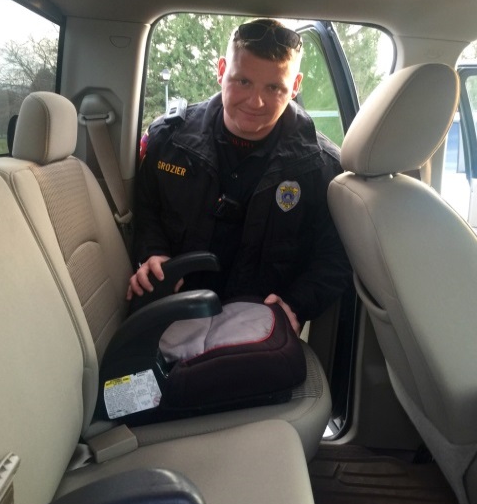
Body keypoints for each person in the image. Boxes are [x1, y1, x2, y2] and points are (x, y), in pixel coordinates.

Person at [128, 18, 352, 334]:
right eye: (243, 81)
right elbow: (146, 209)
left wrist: (297, 303)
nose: (255, 102)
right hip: (173, 315)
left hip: (257, 327)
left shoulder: (322, 167)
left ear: (296, 85)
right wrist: (153, 252)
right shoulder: (167, 141)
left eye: (274, 87)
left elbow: (335, 256)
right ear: (221, 70)